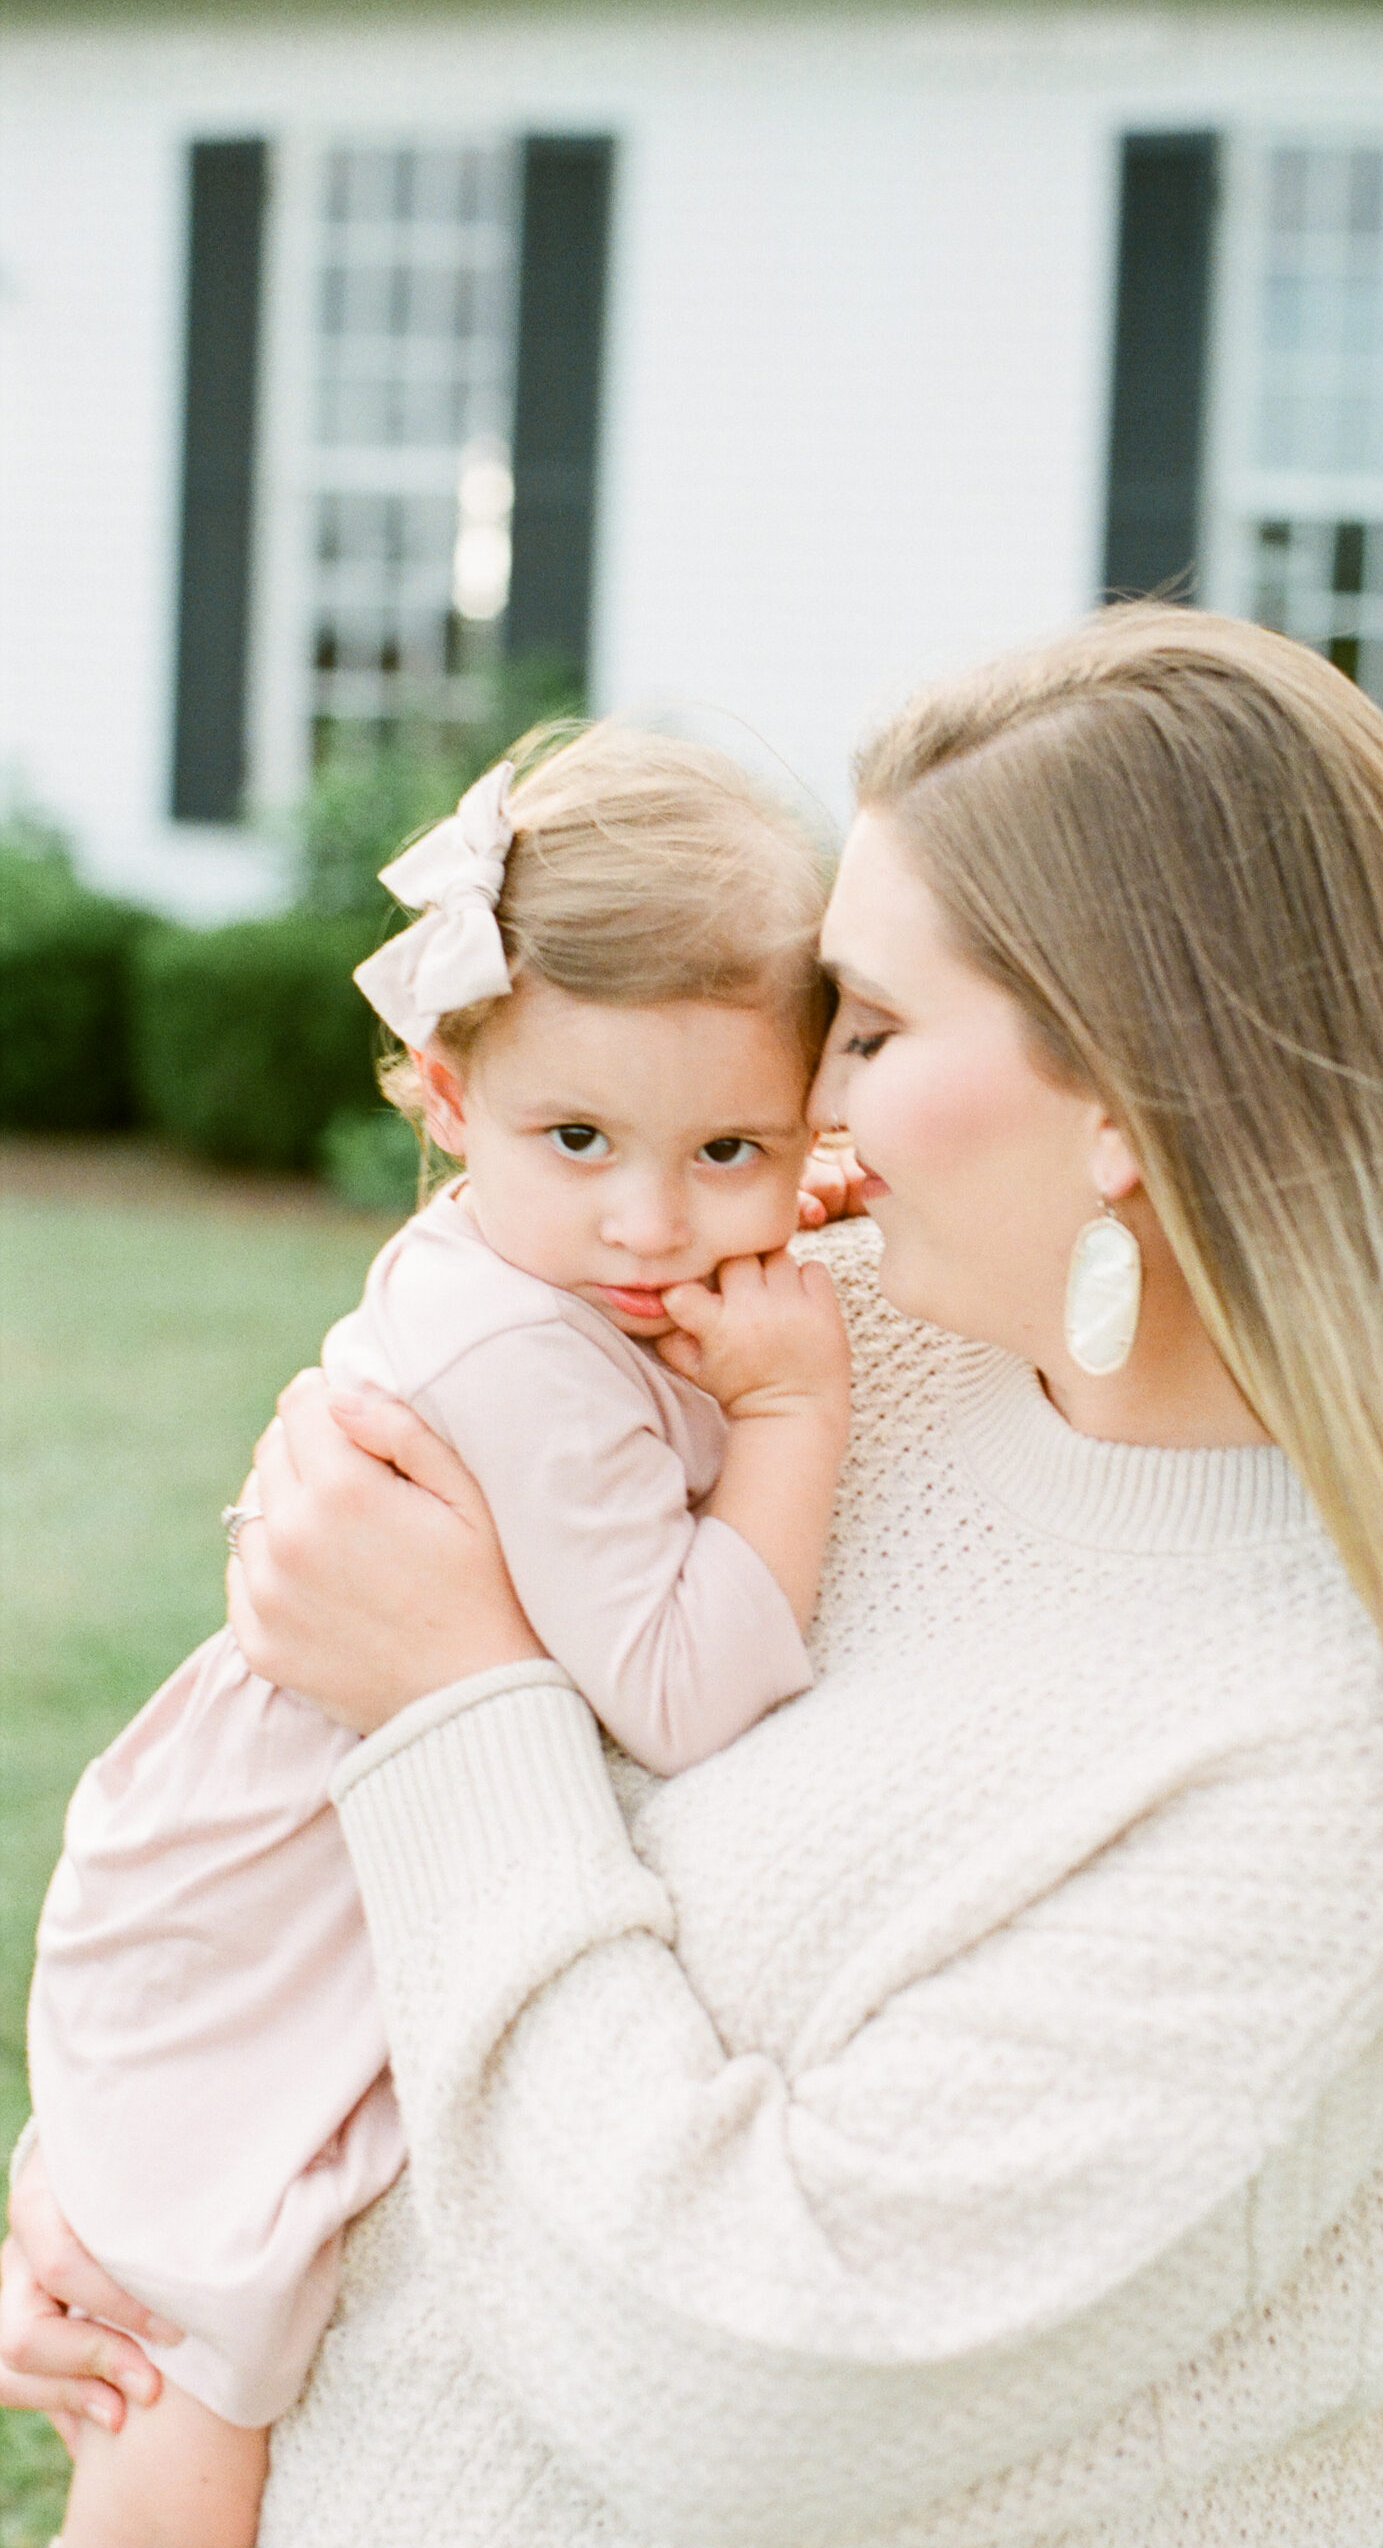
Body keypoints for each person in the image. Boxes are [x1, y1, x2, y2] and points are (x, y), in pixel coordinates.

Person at [3, 606, 1383, 2548]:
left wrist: (453, 1703)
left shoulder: (1335, 1761)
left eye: (862, 1029)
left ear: (1128, 1100)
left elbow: (735, 2388)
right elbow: (346, 1635)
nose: (809, 1115)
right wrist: (163, 2179)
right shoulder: (844, 1338)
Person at [17, 722, 851, 2548]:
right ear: (445, 1096)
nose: (654, 1220)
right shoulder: (518, 1350)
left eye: (734, 1146)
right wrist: (792, 1422)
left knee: (190, 2313)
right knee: (191, 2355)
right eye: (580, 1138)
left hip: (275, 1859)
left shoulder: (540, 1258)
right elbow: (686, 1688)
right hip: (259, 1903)